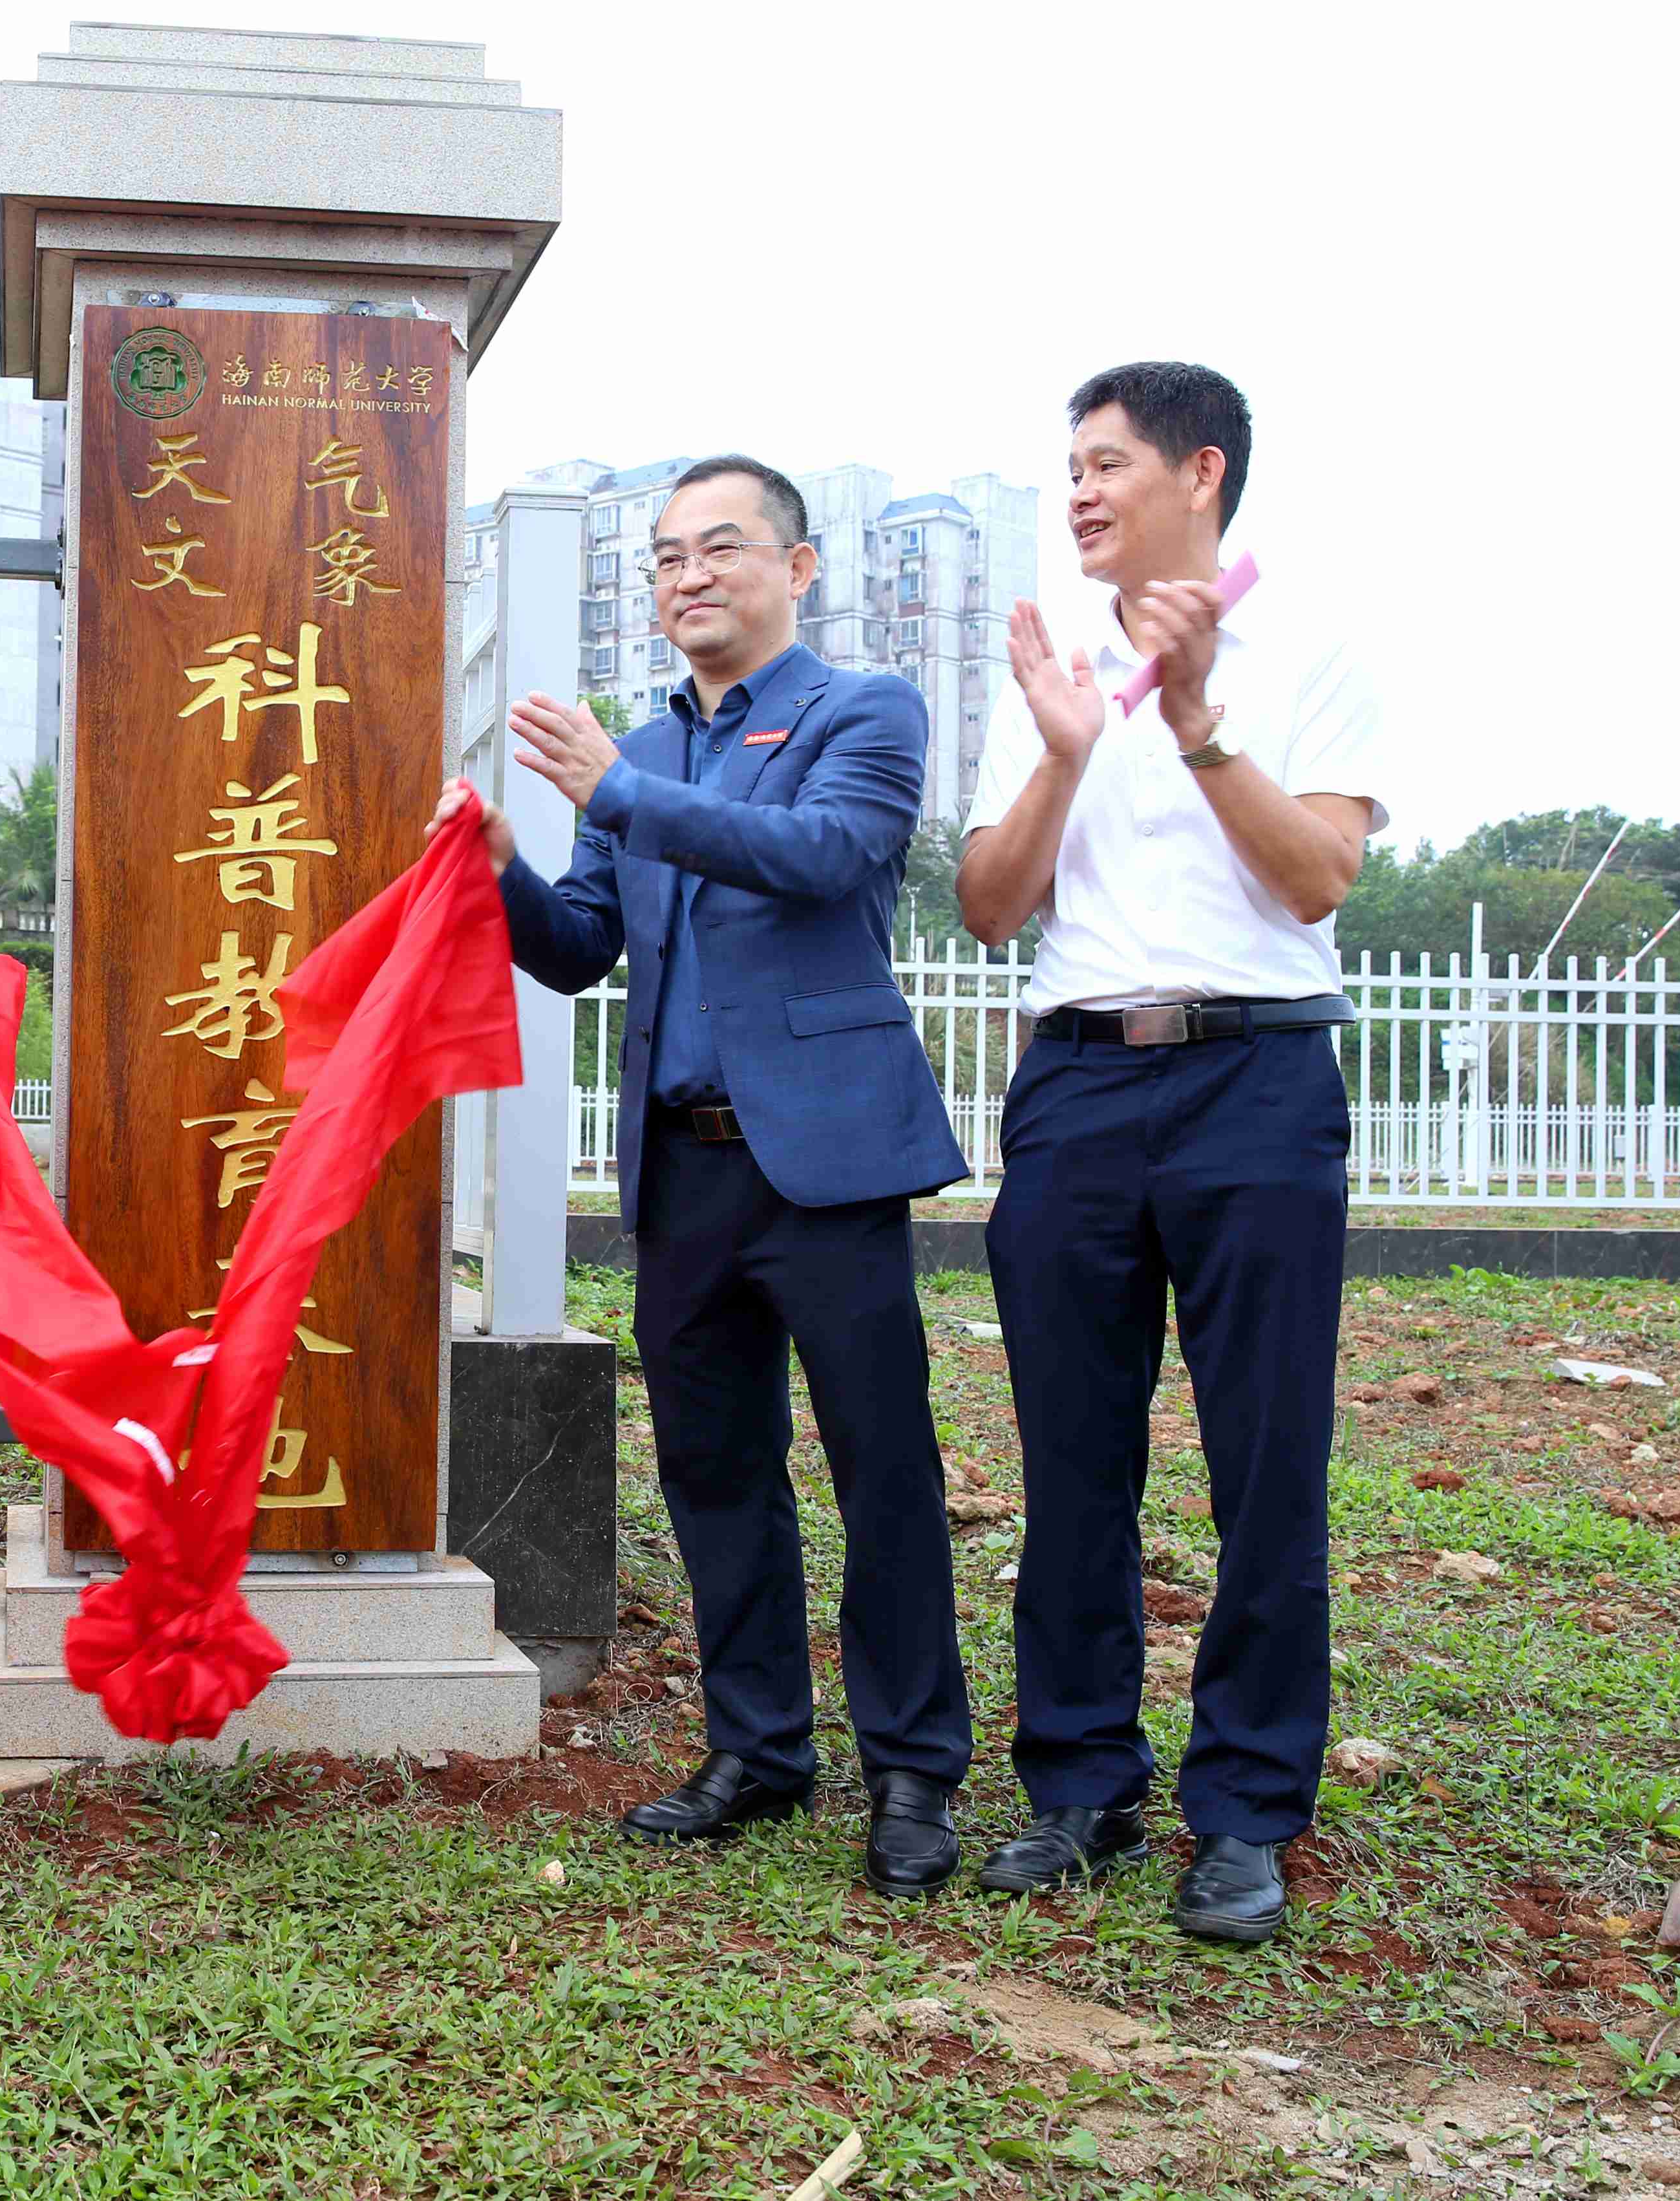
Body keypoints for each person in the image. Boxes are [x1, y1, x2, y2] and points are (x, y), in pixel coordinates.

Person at [436, 455, 975, 1891]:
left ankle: (915, 1770)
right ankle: (757, 1749)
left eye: (718, 549)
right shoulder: (647, 749)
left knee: (883, 1472)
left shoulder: (862, 710)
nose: (685, 576)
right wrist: (496, 866)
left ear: (796, 570)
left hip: (827, 1163)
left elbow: (824, 854)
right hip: (685, 1172)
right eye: (665, 557)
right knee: (716, 1469)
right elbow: (577, 947)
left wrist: (616, 792)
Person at [956, 362, 1383, 1944]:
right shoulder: (1056, 667)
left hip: (1254, 1078)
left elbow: (1316, 881)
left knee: (1267, 1458)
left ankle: (1247, 1807)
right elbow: (992, 907)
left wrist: (1196, 726)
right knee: (1071, 1451)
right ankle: (1077, 1780)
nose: (1075, 490)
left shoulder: (1306, 656)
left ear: (1200, 472)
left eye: (1105, 461)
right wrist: (1068, 747)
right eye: (1067, 464)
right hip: (1076, 1084)